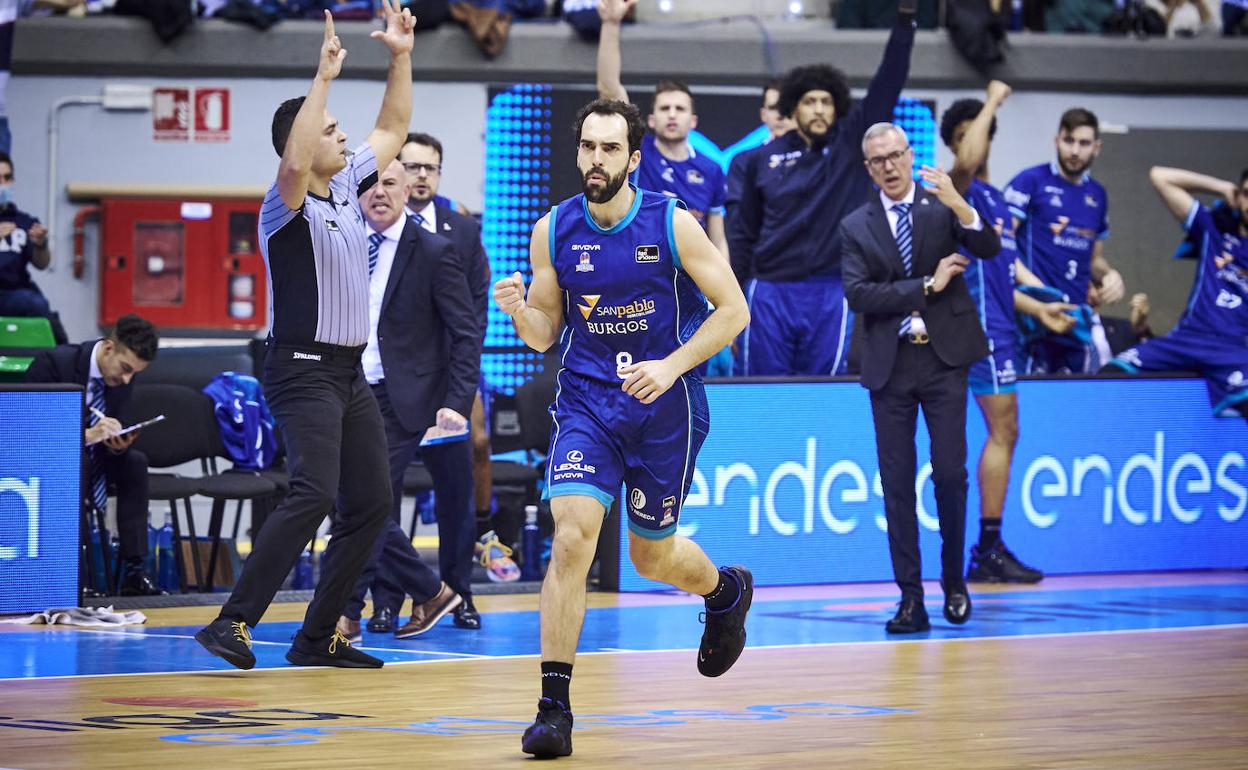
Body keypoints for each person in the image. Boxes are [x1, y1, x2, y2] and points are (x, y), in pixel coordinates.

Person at [495, 98, 752, 759]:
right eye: (588, 147)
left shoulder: (673, 223)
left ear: (633, 159)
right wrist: (521, 310)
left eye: (610, 149)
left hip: (667, 407)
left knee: (650, 557)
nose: (596, 160)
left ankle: (725, 593)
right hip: (587, 406)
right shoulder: (553, 229)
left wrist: (670, 367)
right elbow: (545, 334)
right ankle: (554, 711)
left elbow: (734, 312)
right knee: (572, 537)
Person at [194, 1, 415, 671]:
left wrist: (400, 56)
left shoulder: (347, 185)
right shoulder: (281, 204)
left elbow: (394, 125)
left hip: (348, 373)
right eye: (329, 128)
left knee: (373, 503)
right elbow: (293, 165)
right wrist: (322, 78)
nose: (343, 136)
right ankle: (232, 622)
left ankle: (318, 636)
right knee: (314, 491)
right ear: (302, 138)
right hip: (300, 368)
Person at [841, 122, 1001, 634]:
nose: (889, 166)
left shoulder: (941, 206)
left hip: (944, 360)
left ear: (911, 155)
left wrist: (961, 203)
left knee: (951, 475)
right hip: (889, 365)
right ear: (868, 168)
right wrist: (926, 286)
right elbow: (859, 295)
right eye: (878, 160)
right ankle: (911, 599)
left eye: (895, 155)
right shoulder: (856, 225)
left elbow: (990, 246)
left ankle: (954, 583)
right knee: (896, 486)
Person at [330, 159, 478, 643]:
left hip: (402, 400)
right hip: (346, 390)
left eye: (388, 183)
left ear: (406, 190)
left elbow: (464, 332)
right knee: (358, 501)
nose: (378, 192)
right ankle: (431, 591)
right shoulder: (340, 244)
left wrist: (458, 399)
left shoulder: (435, 251)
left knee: (364, 500)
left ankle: (347, 612)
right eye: (368, 184)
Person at [728, 1, 918, 376]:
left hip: (830, 291)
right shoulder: (755, 161)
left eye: (826, 102)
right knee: (763, 395)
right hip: (767, 292)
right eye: (809, 101)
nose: (818, 109)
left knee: (820, 393)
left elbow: (888, 82)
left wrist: (905, 21)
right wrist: (730, 303)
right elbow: (741, 236)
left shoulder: (849, 148)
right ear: (793, 108)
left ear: (837, 108)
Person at [941, 82, 1060, 584]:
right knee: (1003, 431)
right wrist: (991, 102)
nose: (977, 143)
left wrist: (1039, 308)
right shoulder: (954, 186)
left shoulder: (998, 201)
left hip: (1004, 329)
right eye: (968, 135)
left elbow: (998, 278)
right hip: (978, 337)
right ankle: (986, 549)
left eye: (983, 133)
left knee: (1006, 433)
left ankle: (989, 547)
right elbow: (966, 162)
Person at [398, 130, 498, 624]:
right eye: (412, 166)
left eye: (429, 168)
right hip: (392, 382)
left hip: (449, 382)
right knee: (381, 493)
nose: (421, 175)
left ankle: (461, 595)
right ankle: (385, 601)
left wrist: (463, 368)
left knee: (456, 493)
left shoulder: (461, 229)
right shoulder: (381, 220)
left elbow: (477, 305)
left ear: (439, 174)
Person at [23, 314, 163, 596]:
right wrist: (86, 436)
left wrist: (118, 442)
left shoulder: (122, 379)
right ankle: (77, 574)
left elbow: (117, 422)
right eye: (125, 368)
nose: (126, 379)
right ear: (109, 347)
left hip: (97, 458)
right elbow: (29, 427)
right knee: (79, 462)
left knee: (135, 463)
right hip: (51, 459)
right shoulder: (54, 364)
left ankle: (134, 570)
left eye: (134, 373)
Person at [1102, 166, 1248, 421]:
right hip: (1186, 340)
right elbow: (1160, 176)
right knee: (1109, 374)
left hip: (1233, 350)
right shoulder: (1213, 231)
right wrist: (1222, 187)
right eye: (1246, 194)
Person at [596, 0, 729, 259]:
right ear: (651, 120)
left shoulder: (711, 169)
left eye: (679, 109)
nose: (671, 114)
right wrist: (611, 25)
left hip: (689, 271)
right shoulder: (637, 151)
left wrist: (725, 291)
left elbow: (718, 239)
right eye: (664, 108)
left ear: (693, 121)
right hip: (636, 262)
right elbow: (609, 88)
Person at [1004, 107, 1126, 374]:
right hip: (1033, 317)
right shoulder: (1030, 181)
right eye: (1068, 141)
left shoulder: (1098, 195)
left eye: (1083, 143)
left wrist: (1110, 275)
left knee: (1083, 402)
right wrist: (1036, 288)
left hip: (1076, 320)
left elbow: (1094, 258)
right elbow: (1001, 244)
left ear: (1096, 147)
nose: (1074, 151)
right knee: (1028, 405)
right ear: (1056, 140)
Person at [0, 152, 67, 343]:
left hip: (14, 293)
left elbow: (41, 263)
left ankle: (64, 363)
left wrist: (41, 244)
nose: (2, 183)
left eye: (7, 178)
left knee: (38, 305)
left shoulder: (24, 222)